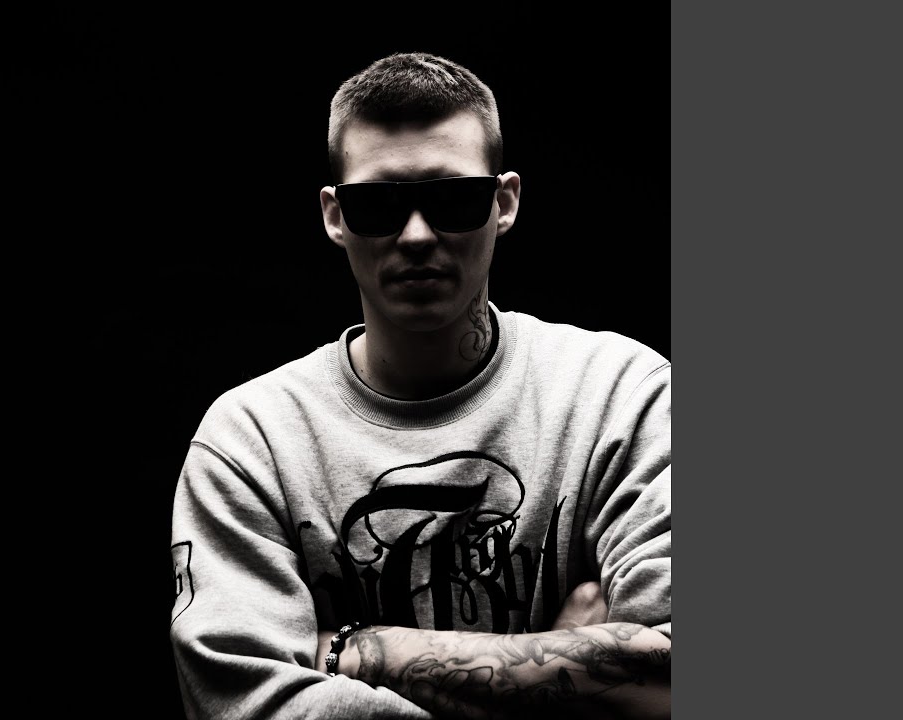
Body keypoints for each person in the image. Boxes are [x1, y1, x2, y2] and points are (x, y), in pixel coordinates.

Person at [169, 52, 671, 719]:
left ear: (504, 203)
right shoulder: (250, 442)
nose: (415, 235)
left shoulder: (623, 398)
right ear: (335, 216)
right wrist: (566, 667)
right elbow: (242, 701)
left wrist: (357, 651)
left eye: (453, 199)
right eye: (376, 206)